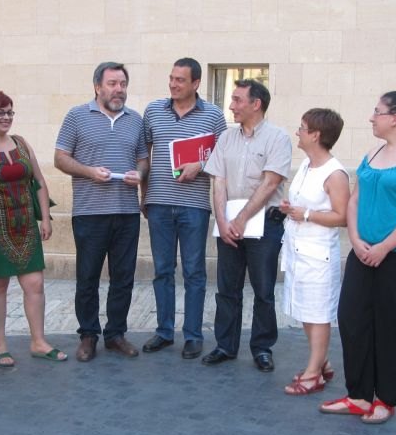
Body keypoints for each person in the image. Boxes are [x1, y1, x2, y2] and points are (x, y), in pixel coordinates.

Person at [319, 85, 396, 424]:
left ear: (395, 118)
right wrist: (356, 239)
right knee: (352, 319)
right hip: (363, 253)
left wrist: (385, 246)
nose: (371, 118)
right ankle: (359, 396)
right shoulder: (372, 154)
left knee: (394, 327)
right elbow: (355, 199)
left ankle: (386, 398)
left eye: (377, 112)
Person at [55, 62, 148, 362]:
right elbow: (60, 158)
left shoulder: (135, 120)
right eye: (112, 83)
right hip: (90, 212)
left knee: (123, 277)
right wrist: (89, 172)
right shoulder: (77, 116)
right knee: (88, 277)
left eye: (123, 84)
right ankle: (88, 335)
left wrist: (139, 174)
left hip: (126, 212)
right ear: (97, 87)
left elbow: (143, 159)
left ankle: (115, 334)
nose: (119, 89)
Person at [0, 89, 66, 367]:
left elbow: (39, 182)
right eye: (0, 112)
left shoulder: (21, 143)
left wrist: (45, 218)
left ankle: (38, 341)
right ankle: (0, 346)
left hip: (25, 226)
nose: (7, 117)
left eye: (10, 112)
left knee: (35, 284)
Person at [201, 79, 291, 372]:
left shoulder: (278, 138)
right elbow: (218, 181)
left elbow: (270, 183)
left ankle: (262, 348)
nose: (231, 106)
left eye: (237, 100)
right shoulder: (226, 138)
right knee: (227, 289)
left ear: (256, 104)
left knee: (263, 290)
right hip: (228, 225)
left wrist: (240, 219)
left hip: (265, 225)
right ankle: (225, 345)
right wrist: (222, 220)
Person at [141, 57, 227, 359]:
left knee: (194, 272)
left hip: (194, 206)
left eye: (180, 80)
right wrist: (144, 194)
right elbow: (144, 155)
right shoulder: (153, 111)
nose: (173, 84)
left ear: (196, 83)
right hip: (159, 203)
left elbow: (224, 157)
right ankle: (164, 332)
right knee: (162, 271)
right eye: (171, 78)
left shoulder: (214, 115)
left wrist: (200, 165)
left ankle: (193, 335)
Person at [279, 108, 349, 395]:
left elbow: (342, 216)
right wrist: (291, 209)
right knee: (305, 308)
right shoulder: (307, 166)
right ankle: (321, 362)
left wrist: (306, 214)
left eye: (302, 127)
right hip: (298, 248)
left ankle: (313, 374)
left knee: (318, 312)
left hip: (318, 253)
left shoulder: (335, 173)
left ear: (316, 135)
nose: (298, 132)